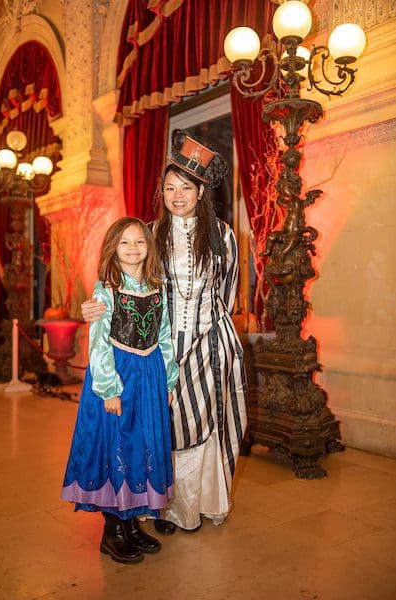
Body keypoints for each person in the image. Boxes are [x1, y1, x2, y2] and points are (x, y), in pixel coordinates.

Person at [82, 130, 248, 532]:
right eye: (170, 187)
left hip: (210, 347)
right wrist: (96, 306)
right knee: (160, 428)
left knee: (206, 425)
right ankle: (160, 506)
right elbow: (125, 283)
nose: (177, 195)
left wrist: (212, 333)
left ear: (201, 192)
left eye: (186, 188)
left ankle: (194, 505)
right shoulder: (151, 233)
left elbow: (227, 292)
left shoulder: (224, 236)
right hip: (158, 352)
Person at [61, 217, 178, 564]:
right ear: (114, 248)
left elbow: (165, 336)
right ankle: (112, 530)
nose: (132, 248)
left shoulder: (158, 286)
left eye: (139, 242)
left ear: (148, 247)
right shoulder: (106, 289)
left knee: (143, 445)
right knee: (117, 445)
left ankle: (132, 524)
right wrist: (109, 389)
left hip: (150, 375)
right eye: (125, 242)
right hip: (117, 376)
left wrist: (168, 380)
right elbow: (98, 343)